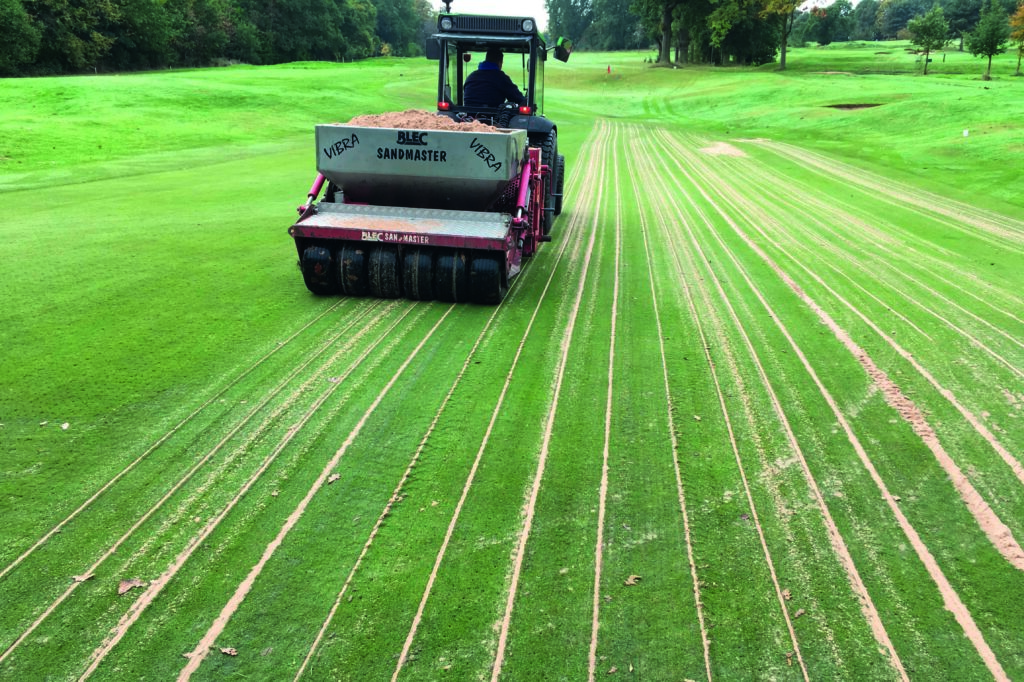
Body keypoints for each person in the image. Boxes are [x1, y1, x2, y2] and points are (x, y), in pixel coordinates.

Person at [463, 48, 527, 109]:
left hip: (468, 115)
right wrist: (526, 101)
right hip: (492, 116)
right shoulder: (500, 78)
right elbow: (517, 98)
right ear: (499, 62)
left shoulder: (471, 77)